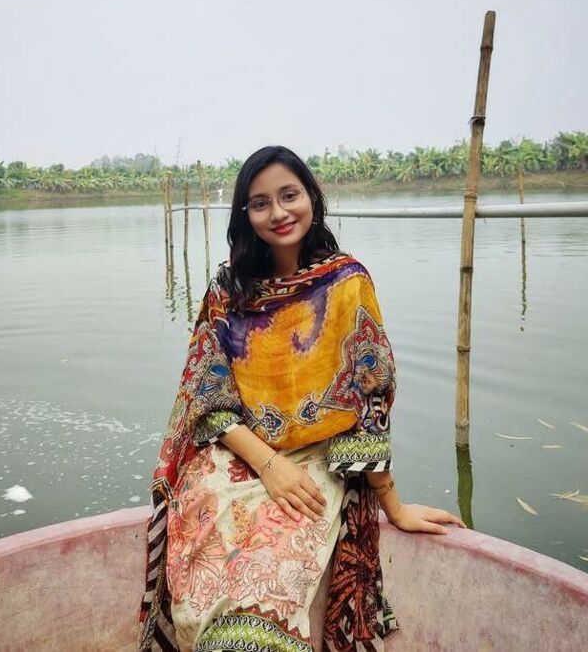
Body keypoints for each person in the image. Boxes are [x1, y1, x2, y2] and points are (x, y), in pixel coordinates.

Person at [139, 145, 465, 652]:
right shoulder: (229, 289)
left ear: (312, 196)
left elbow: (369, 405)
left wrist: (394, 507)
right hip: (238, 450)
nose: (278, 212)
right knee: (200, 558)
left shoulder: (347, 282)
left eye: (289, 195)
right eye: (260, 203)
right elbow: (208, 398)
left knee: (267, 579)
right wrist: (268, 465)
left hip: (320, 459)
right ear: (245, 215)